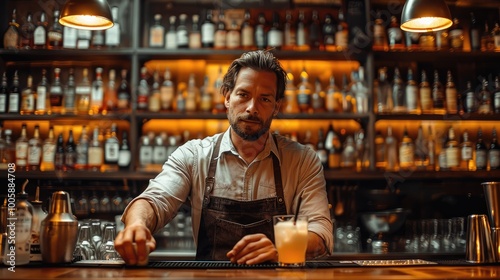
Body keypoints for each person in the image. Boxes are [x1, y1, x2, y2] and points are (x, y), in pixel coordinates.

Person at [114, 50, 333, 265]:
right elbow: (154, 200)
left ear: (276, 107)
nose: (252, 108)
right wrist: (137, 225)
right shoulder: (194, 155)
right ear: (227, 97)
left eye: (264, 99)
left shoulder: (302, 160)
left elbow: (321, 234)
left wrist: (282, 248)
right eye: (243, 95)